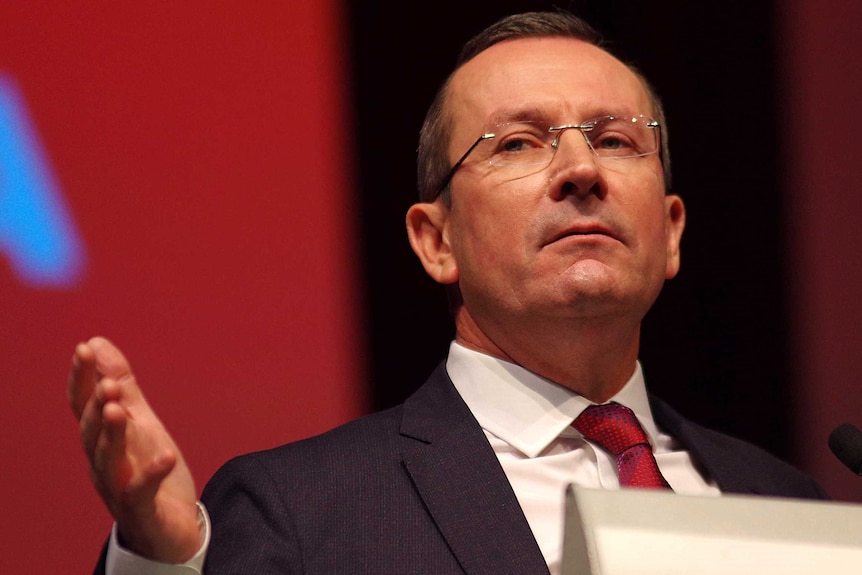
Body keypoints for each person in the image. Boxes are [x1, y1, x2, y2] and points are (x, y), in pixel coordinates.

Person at [68, 10, 827, 575]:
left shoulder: (792, 505)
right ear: (436, 241)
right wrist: (161, 562)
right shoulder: (298, 509)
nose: (580, 169)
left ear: (671, 233)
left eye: (615, 138)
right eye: (519, 143)